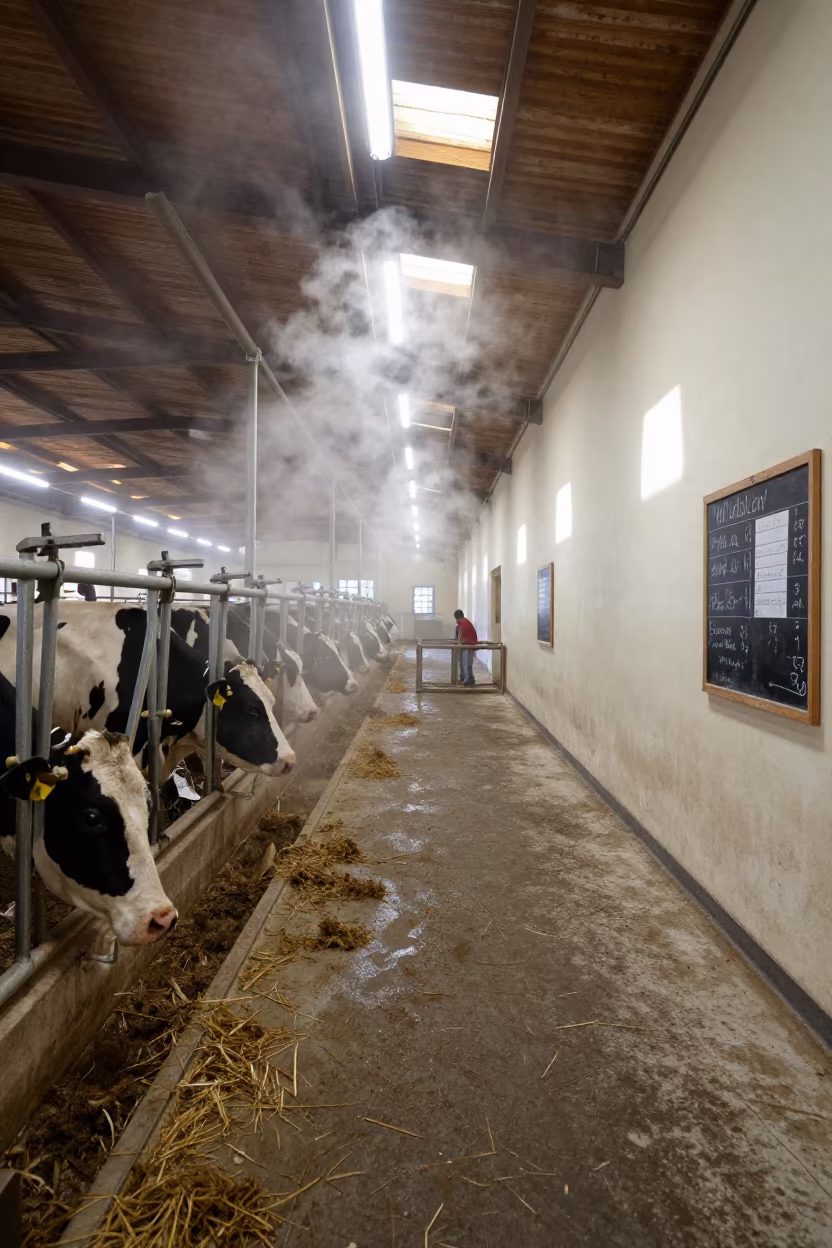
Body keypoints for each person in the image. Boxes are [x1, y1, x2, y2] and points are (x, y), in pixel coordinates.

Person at [454, 609, 478, 686]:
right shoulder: (466, 621)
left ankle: (467, 680)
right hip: (468, 644)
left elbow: (461, 632)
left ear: (457, 617)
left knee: (466, 663)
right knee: (464, 663)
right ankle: (466, 678)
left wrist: (459, 642)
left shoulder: (461, 622)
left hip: (467, 644)